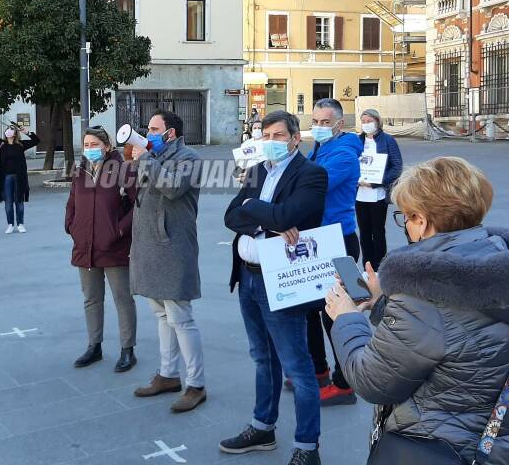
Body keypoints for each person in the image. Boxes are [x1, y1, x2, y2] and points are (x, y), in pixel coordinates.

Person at [326, 157, 509, 465]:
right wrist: (382, 301)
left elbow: (372, 380)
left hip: (439, 447)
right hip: (504, 445)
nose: (404, 224)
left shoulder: (423, 295)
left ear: (422, 220)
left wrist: (347, 317)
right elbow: (446, 334)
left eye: (404, 216)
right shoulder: (506, 265)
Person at [221, 111, 328, 465]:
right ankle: (262, 426)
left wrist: (254, 209)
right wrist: (262, 218)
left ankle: (307, 447)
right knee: (261, 358)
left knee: (297, 366)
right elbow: (230, 217)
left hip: (281, 279)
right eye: (266, 135)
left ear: (296, 138)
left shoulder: (311, 174)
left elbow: (287, 217)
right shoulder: (257, 171)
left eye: (279, 135)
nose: (271, 141)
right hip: (248, 276)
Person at [129, 110, 207, 413]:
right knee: (161, 314)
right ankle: (168, 374)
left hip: (173, 246)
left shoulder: (189, 158)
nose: (147, 133)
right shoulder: (150, 155)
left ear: (170, 133)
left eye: (152, 128)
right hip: (149, 244)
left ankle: (196, 385)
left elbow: (173, 188)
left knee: (181, 317)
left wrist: (147, 161)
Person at [301, 97, 363, 405]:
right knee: (312, 308)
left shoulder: (345, 154)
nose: (319, 127)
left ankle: (345, 382)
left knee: (342, 311)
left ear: (340, 124)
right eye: (315, 121)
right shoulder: (320, 148)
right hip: (320, 239)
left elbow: (314, 185)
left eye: (325, 122)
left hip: (342, 241)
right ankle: (317, 369)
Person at [65, 126, 138, 372]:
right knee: (91, 298)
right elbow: (72, 202)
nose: (89, 149)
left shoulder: (122, 168)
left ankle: (128, 350)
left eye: (94, 144)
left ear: (106, 146)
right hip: (85, 244)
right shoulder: (80, 170)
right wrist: (71, 226)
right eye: (86, 145)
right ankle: (94, 346)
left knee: (122, 298)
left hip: (114, 245)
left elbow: (137, 204)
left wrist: (119, 230)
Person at [355, 109, 403, 270]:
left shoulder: (388, 140)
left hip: (378, 196)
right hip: (360, 196)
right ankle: (368, 269)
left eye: (369, 121)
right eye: (363, 121)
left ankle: (381, 268)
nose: (366, 124)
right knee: (364, 234)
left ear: (377, 121)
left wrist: (376, 182)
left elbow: (396, 167)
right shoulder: (357, 141)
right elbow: (350, 163)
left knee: (378, 233)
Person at [0, 119, 40, 233]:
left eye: (12, 129)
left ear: (15, 133)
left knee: (19, 201)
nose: (9, 130)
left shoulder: (21, 145)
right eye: (8, 129)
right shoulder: (1, 144)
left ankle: (20, 224)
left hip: (19, 177)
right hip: (6, 177)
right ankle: (10, 224)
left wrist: (26, 132)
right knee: (8, 201)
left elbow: (36, 141)